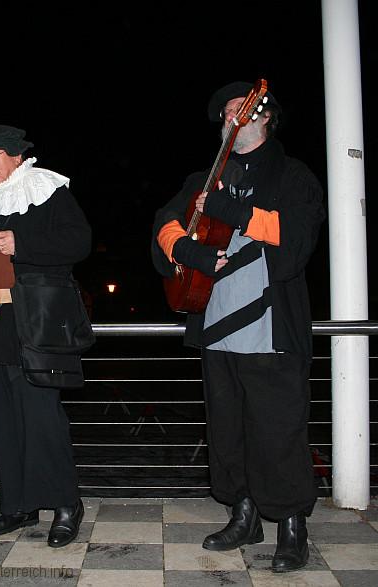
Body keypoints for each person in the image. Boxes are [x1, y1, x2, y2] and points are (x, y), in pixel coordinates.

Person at [152, 82, 325, 572]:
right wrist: (189, 251)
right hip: (216, 326)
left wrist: (227, 210)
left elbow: (293, 240)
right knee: (227, 431)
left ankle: (291, 524)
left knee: (279, 430)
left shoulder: (293, 175)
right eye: (227, 112)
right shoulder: (204, 179)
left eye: (240, 109)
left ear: (264, 114)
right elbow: (165, 224)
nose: (232, 117)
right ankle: (243, 514)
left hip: (272, 328)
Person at [0, 124, 90, 548]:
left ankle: (66, 505)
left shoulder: (48, 190)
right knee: (6, 421)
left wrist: (21, 242)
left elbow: (79, 241)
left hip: (38, 325)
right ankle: (19, 505)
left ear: (15, 157)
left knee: (43, 418)